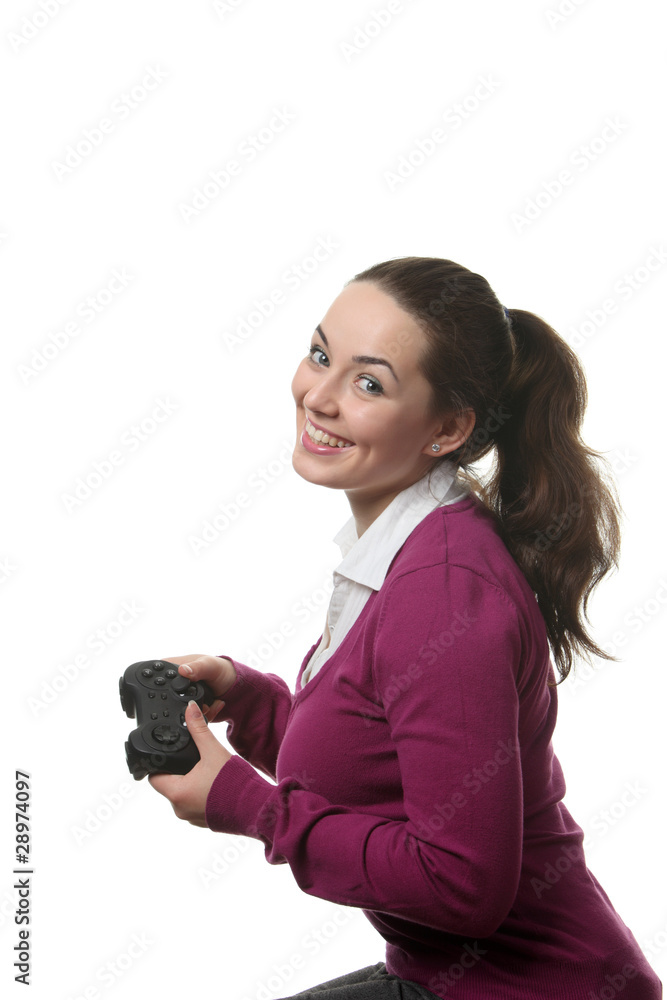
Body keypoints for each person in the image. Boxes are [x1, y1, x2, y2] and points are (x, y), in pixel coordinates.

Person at [148, 257, 663, 999]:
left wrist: (249, 806)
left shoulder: (442, 590)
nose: (317, 396)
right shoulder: (405, 551)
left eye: (368, 384)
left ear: (447, 429)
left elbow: (461, 886)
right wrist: (254, 706)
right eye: (320, 355)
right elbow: (386, 766)